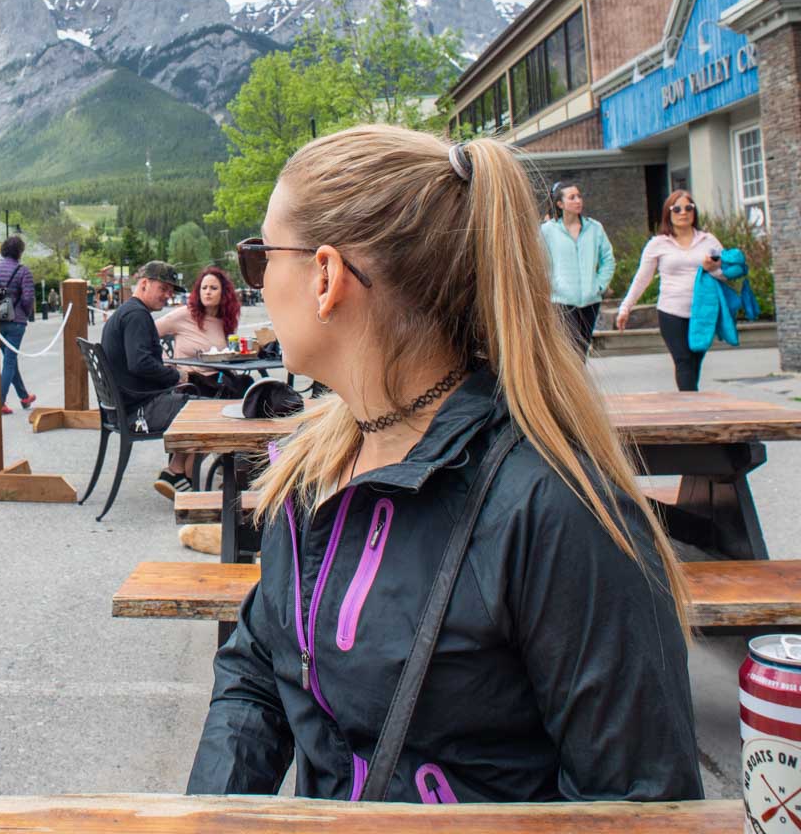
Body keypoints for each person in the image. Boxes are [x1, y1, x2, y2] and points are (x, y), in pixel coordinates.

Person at [188, 125, 702, 805]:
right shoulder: (314, 465)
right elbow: (258, 670)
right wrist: (208, 818)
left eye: (259, 258)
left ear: (325, 277)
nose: (255, 283)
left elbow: (642, 807)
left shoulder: (554, 508)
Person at [616, 191, 723, 391]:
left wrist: (713, 268)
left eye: (689, 208)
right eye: (677, 209)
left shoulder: (709, 241)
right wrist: (625, 308)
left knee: (694, 360)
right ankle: (691, 408)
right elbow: (642, 278)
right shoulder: (658, 244)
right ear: (668, 213)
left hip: (702, 312)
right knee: (683, 360)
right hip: (671, 311)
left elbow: (725, 275)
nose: (684, 213)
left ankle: (690, 400)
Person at [154, 266, 247, 495]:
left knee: (243, 391)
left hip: (212, 381)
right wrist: (167, 362)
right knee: (215, 404)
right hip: (187, 382)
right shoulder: (185, 314)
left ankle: (184, 472)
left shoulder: (226, 321)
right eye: (204, 287)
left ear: (223, 293)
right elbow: (148, 333)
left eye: (213, 288)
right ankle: (183, 470)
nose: (207, 292)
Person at [100, 260, 187, 493]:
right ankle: (176, 473)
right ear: (145, 283)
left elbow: (137, 363)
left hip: (122, 408)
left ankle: (180, 475)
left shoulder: (128, 312)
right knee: (200, 410)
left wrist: (167, 373)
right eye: (164, 288)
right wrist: (175, 375)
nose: (168, 295)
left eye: (171, 290)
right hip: (134, 413)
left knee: (189, 399)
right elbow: (140, 364)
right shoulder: (137, 315)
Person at [539, 179, 615, 358]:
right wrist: (551, 285)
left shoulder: (595, 228)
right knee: (569, 350)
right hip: (561, 301)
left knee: (581, 350)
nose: (578, 200)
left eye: (579, 196)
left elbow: (608, 260)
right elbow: (538, 263)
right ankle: (568, 385)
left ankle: (574, 385)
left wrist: (600, 286)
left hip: (590, 300)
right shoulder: (547, 231)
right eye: (572, 197)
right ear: (560, 204)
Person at [0, 236, 37, 415]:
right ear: (19, 252)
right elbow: (28, 298)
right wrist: (24, 312)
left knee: (9, 359)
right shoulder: (23, 272)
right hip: (16, 322)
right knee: (9, 361)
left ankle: (24, 396)